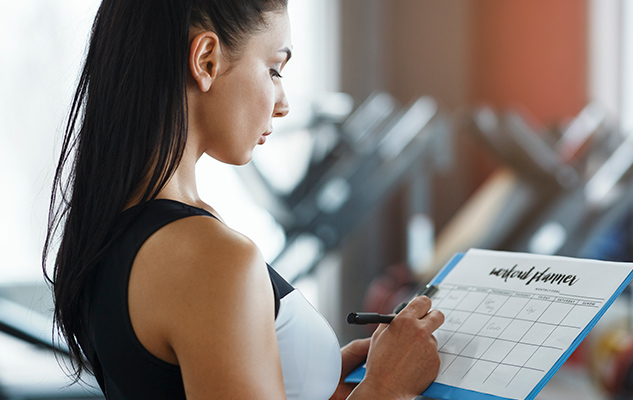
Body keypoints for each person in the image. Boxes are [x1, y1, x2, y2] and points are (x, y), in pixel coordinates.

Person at [42, 0, 445, 399]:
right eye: (273, 69)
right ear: (206, 60)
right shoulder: (209, 259)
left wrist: (308, 378)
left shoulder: (116, 232)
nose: (283, 104)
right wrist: (386, 387)